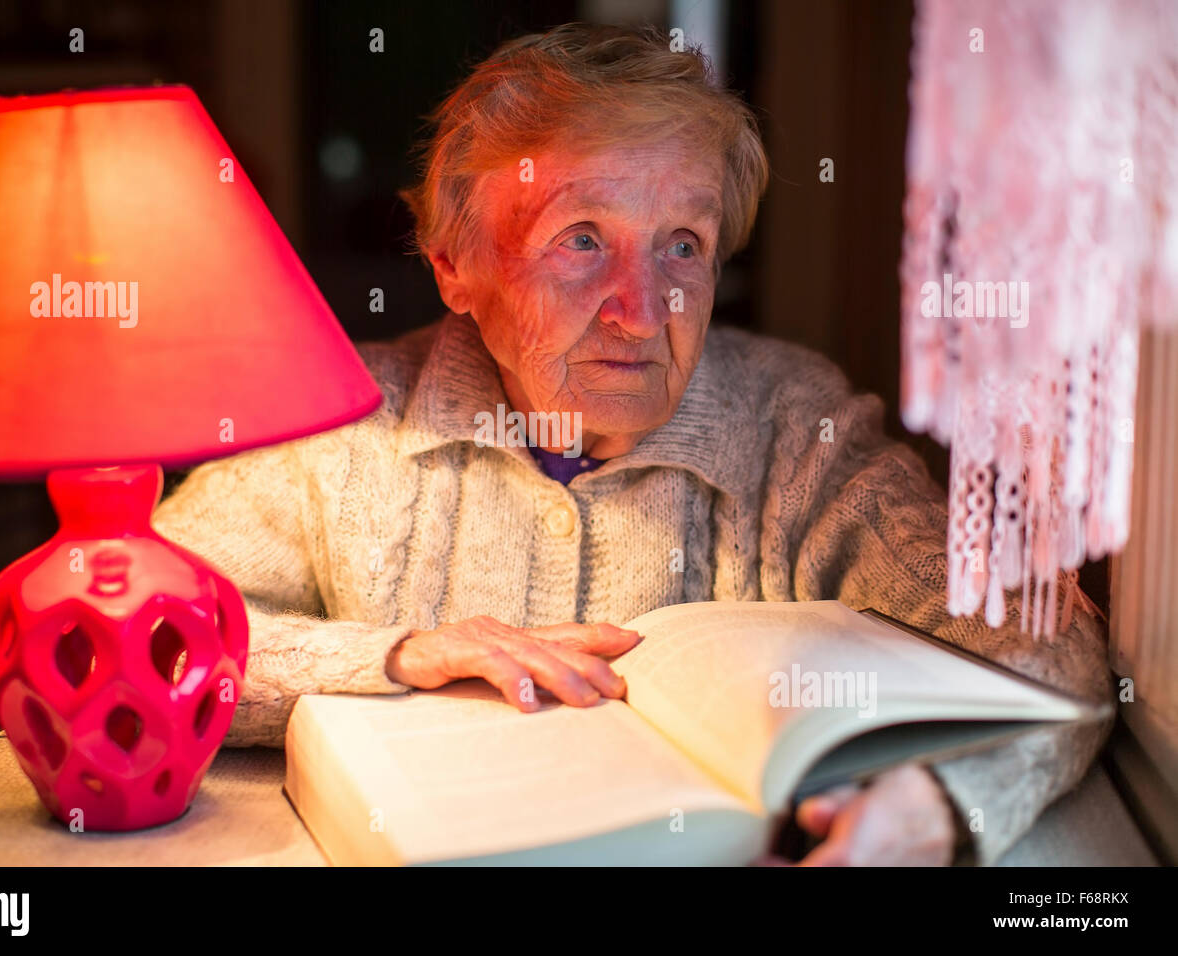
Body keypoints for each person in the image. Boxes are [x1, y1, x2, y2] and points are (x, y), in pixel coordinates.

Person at [151, 22, 1113, 865]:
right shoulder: (344, 417)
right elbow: (142, 638)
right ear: (455, 266)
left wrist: (940, 806)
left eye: (683, 245)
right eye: (580, 239)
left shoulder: (792, 424)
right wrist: (394, 654)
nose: (644, 310)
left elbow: (1044, 644)